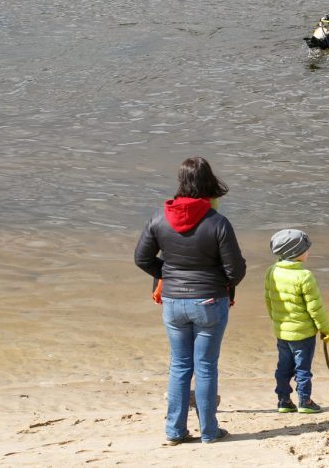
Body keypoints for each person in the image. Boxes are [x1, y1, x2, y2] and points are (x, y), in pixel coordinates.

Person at [134, 157, 247, 445]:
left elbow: (141, 258)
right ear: (209, 183)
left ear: (181, 182)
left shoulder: (159, 218)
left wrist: (167, 275)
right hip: (210, 300)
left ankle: (174, 431)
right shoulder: (218, 222)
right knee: (206, 366)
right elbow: (235, 271)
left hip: (172, 301)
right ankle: (209, 431)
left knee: (180, 365)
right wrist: (218, 282)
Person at [264, 229, 329, 414]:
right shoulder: (304, 276)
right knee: (303, 369)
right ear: (296, 252)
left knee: (283, 367)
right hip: (303, 333)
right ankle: (305, 401)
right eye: (306, 249)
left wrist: (276, 321)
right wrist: (324, 329)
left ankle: (283, 401)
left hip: (282, 331)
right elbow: (315, 308)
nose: (308, 252)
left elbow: (269, 300)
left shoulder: (271, 271)